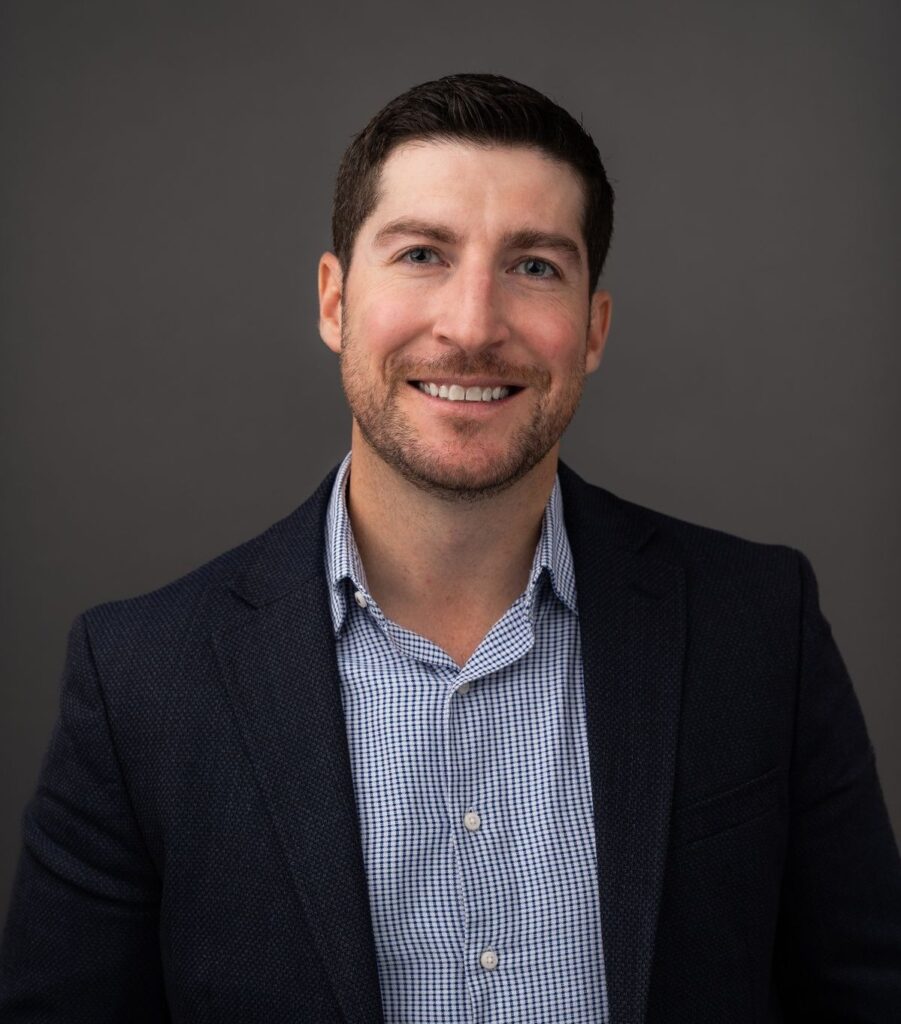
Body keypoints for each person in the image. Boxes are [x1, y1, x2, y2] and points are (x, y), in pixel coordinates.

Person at [1, 72, 899, 1024]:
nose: (472, 326)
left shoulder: (757, 625)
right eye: (422, 254)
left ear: (592, 330)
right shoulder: (140, 680)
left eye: (534, 266)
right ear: (334, 302)